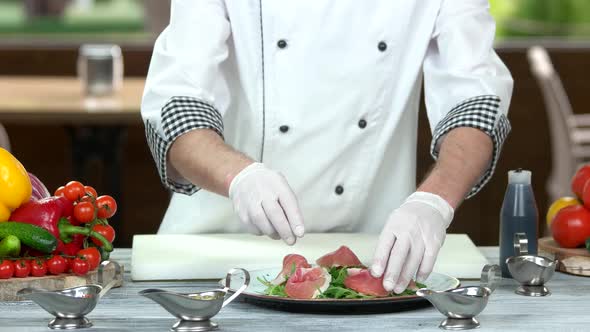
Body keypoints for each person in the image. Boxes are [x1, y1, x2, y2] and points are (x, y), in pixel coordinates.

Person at [141, 0, 513, 294]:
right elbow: (178, 103)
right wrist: (239, 176)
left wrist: (433, 202)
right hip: (217, 249)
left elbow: (476, 102)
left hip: (373, 253)